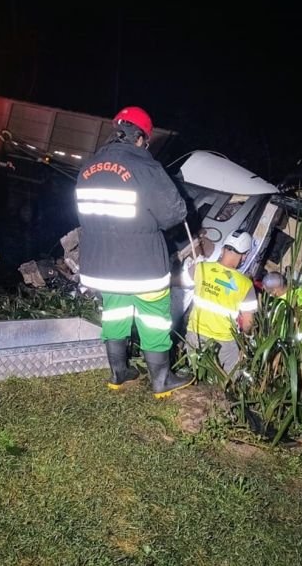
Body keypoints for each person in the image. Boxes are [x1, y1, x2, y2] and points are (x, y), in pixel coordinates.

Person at [75, 106, 193, 399]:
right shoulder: (145, 166)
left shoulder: (88, 167)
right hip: (142, 266)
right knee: (154, 319)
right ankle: (161, 380)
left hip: (101, 265)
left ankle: (119, 372)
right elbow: (174, 213)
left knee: (115, 313)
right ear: (140, 137)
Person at [186, 230, 258, 378]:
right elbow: (248, 323)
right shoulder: (246, 284)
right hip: (224, 341)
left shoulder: (200, 268)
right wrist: (247, 338)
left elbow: (178, 282)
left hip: (195, 335)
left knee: (194, 374)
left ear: (223, 248)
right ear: (244, 256)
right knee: (230, 378)